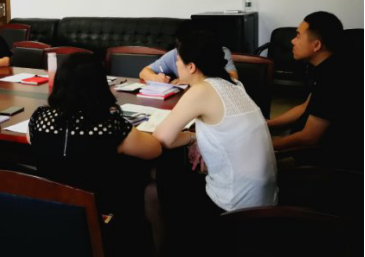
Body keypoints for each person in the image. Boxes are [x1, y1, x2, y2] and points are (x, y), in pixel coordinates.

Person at [27, 52, 161, 257]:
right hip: (102, 214)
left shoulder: (39, 118)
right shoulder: (109, 125)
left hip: (51, 210)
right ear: (100, 85)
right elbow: (153, 150)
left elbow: (31, 140)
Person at [153, 31, 277, 214]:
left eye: (177, 59)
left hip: (235, 208)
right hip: (265, 199)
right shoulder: (234, 84)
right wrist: (197, 139)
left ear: (191, 67)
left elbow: (162, 138)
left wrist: (191, 138)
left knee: (159, 181)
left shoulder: (201, 91)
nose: (176, 64)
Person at [267, 12, 357, 169]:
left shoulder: (333, 79)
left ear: (316, 45)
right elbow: (305, 107)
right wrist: (268, 124)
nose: (292, 41)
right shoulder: (327, 67)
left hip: (328, 162)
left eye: (298, 36)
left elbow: (309, 138)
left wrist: (267, 146)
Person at [140, 21, 238, 83]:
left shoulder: (216, 51)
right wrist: (155, 78)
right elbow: (144, 72)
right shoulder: (175, 53)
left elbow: (234, 78)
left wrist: (188, 80)